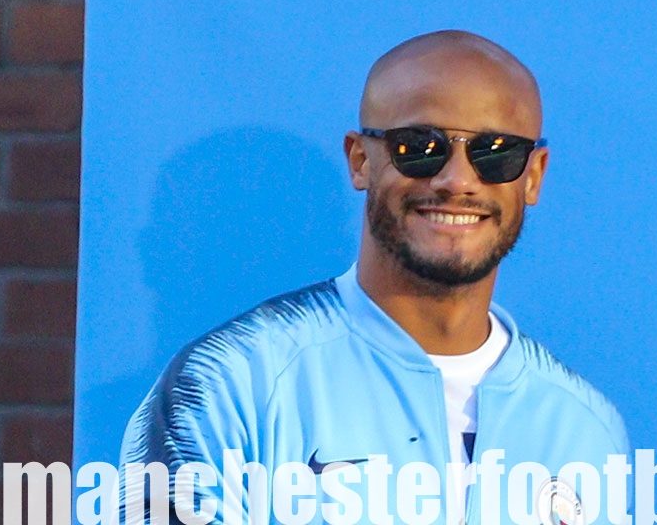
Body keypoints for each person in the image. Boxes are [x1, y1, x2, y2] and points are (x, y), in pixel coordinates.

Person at [118, 30, 630, 525]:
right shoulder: (232, 383)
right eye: (419, 146)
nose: (457, 180)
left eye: (496, 152)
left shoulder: (587, 428)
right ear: (361, 160)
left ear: (533, 175)